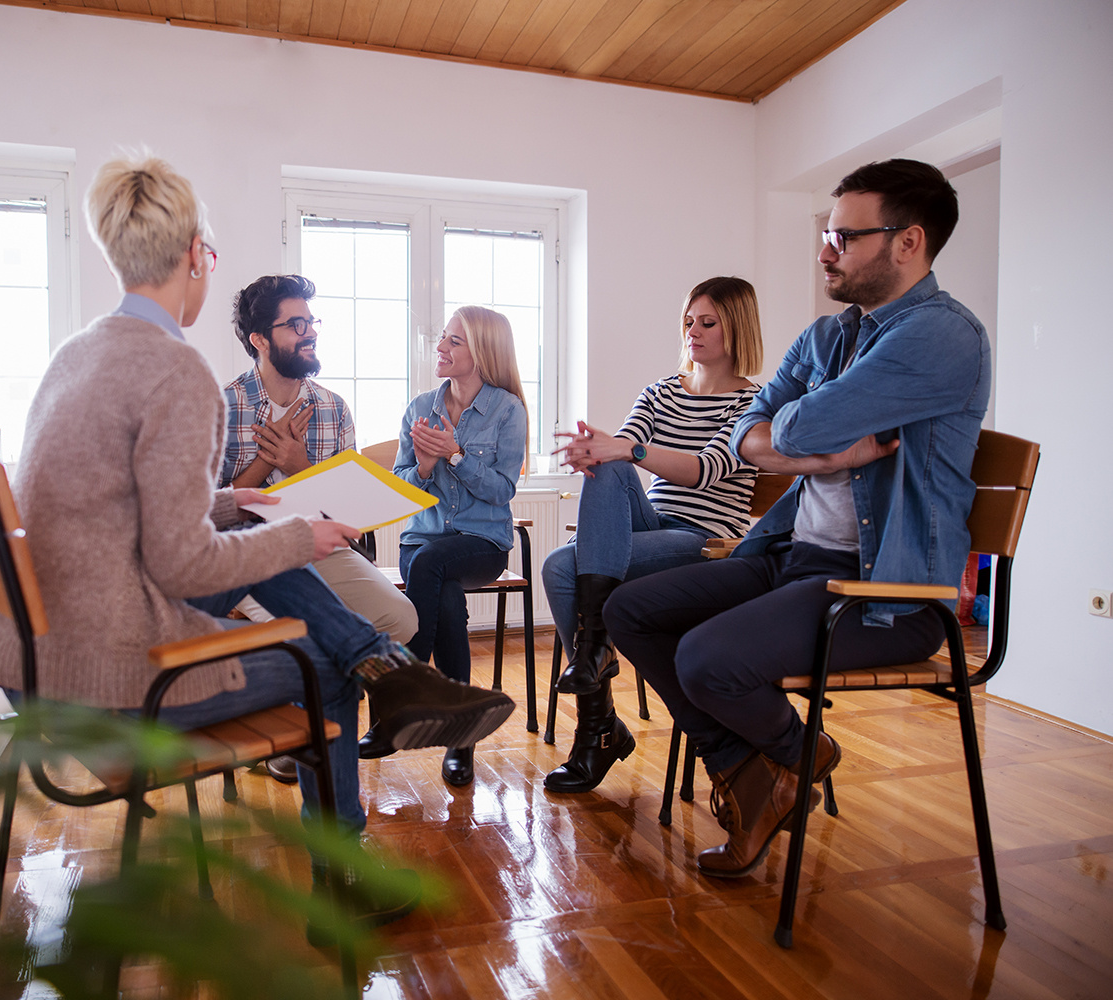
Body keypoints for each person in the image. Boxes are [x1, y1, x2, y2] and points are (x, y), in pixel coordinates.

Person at [0, 155, 514, 926]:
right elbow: (180, 563)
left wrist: (232, 499)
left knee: (275, 537)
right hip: (113, 682)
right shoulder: (178, 373)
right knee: (321, 663)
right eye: (209, 254)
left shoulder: (78, 352)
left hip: (36, 656)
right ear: (195, 255)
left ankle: (383, 665)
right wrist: (295, 533)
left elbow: (125, 512)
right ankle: (344, 869)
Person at [606, 159, 990, 879]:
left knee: (705, 656)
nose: (825, 250)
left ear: (907, 242)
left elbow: (799, 420)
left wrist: (794, 432)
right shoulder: (825, 337)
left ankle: (794, 756)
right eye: (826, 232)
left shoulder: (943, 336)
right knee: (631, 609)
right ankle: (758, 770)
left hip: (882, 594)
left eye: (844, 236)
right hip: (792, 557)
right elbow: (748, 435)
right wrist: (813, 457)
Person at [541, 276, 764, 793]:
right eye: (689, 322)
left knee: (561, 560)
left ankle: (597, 723)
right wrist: (601, 449)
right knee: (609, 466)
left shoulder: (752, 404)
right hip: (654, 528)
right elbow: (624, 447)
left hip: (707, 540)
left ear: (738, 328)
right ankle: (596, 670)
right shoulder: (661, 391)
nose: (694, 332)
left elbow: (707, 469)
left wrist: (627, 451)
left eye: (708, 322)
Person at [220, 273, 417, 643]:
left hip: (318, 546)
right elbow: (203, 513)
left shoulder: (332, 408)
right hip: (245, 553)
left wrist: (298, 465)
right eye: (296, 325)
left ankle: (334, 691)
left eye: (311, 322)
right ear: (260, 340)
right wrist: (266, 461)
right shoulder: (221, 409)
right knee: (310, 634)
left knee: (399, 617)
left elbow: (350, 512)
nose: (309, 332)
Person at [384, 306, 528, 787]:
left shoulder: (508, 410)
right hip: (424, 541)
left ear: (483, 352)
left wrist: (456, 456)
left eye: (453, 342)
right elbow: (401, 488)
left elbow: (502, 491)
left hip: (481, 544)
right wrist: (424, 466)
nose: (440, 349)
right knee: (439, 588)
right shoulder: (419, 407)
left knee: (432, 566)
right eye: (443, 339)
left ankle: (403, 699)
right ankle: (460, 740)